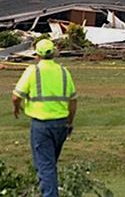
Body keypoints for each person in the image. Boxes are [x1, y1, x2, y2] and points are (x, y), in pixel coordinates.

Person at [12, 39, 77, 197]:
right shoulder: (63, 71)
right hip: (61, 124)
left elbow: (16, 96)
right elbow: (73, 101)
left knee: (45, 166)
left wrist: (17, 108)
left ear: (37, 54)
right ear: (54, 53)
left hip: (41, 125)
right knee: (49, 164)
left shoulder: (33, 71)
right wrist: (69, 123)